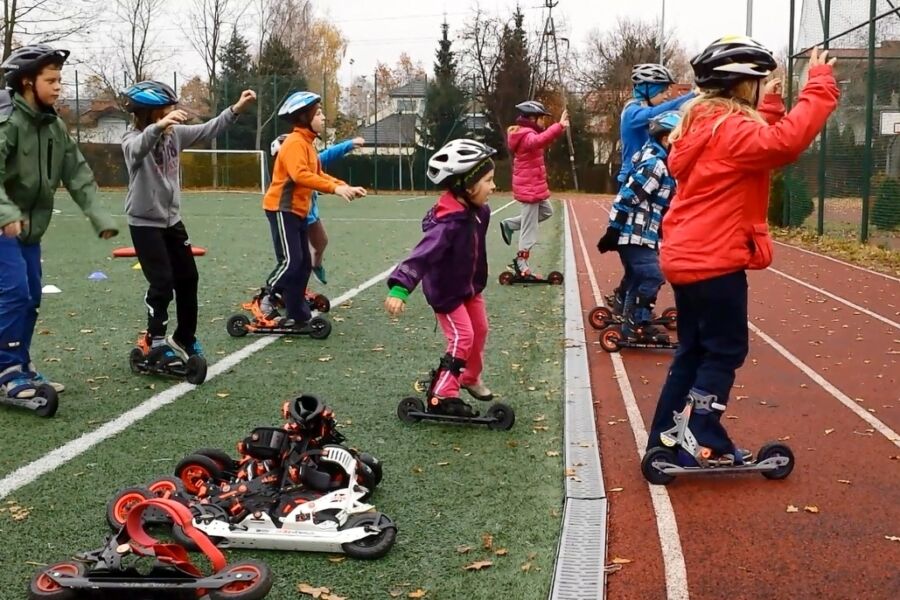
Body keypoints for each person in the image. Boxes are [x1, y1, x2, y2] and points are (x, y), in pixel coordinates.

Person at [646, 36, 839, 463]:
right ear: (742, 86)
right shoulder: (732, 129)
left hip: (685, 256)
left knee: (694, 351)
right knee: (726, 350)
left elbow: (756, 148)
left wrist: (768, 108)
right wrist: (819, 85)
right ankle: (701, 431)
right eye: (760, 83)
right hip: (715, 259)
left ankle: (666, 438)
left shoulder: (703, 124)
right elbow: (783, 144)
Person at [0, 44, 118, 400]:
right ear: (25, 82)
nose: (58, 87)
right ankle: (6, 369)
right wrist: (6, 215)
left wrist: (98, 215)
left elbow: (78, 172)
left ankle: (19, 360)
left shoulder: (53, 127)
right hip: (4, 224)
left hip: (30, 230)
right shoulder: (7, 123)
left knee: (32, 296)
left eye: (59, 80)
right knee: (16, 293)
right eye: (50, 80)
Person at [121, 80, 256, 367]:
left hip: (172, 221)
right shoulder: (131, 139)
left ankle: (183, 337)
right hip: (144, 222)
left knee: (188, 278)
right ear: (150, 113)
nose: (175, 114)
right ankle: (154, 342)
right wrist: (158, 127)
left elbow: (209, 130)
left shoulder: (176, 135)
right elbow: (137, 150)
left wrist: (236, 109)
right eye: (168, 110)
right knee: (162, 282)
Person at [385, 139, 497, 414]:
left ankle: (468, 377)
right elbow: (421, 255)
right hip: (446, 293)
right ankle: (442, 394)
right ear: (468, 187)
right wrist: (400, 287)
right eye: (488, 181)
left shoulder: (480, 212)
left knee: (480, 330)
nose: (494, 186)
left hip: (470, 288)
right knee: (462, 338)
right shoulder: (447, 226)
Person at [260, 91, 366, 329]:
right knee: (291, 261)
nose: (323, 118)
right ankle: (266, 297)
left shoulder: (307, 144)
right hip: (281, 208)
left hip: (297, 211)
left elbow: (318, 174)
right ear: (304, 116)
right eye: (318, 113)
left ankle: (298, 313)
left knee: (304, 263)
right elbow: (301, 175)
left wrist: (343, 186)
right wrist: (334, 190)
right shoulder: (295, 143)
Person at [607, 63, 695, 314]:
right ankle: (636, 309)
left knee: (647, 247)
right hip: (637, 180)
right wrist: (689, 98)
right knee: (642, 248)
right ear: (647, 88)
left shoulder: (650, 111)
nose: (668, 94)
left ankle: (626, 298)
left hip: (655, 181)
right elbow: (653, 117)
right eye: (664, 89)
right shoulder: (632, 112)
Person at [597, 111, 681, 341]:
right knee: (653, 275)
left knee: (636, 276)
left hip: (644, 234)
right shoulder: (655, 166)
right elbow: (627, 196)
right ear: (666, 139)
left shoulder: (661, 163)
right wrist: (613, 230)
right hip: (634, 234)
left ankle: (625, 311)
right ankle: (638, 322)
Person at [270, 134, 366, 285]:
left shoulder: (308, 164)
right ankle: (277, 291)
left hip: (310, 215)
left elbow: (327, 156)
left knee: (320, 243)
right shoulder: (285, 176)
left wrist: (344, 187)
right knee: (295, 259)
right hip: (291, 215)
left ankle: (313, 270)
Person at [498, 100, 568, 278]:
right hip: (529, 188)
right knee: (530, 228)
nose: (544, 123)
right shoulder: (526, 135)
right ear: (531, 118)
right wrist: (558, 126)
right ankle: (521, 261)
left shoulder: (525, 133)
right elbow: (539, 140)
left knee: (546, 211)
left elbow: (541, 139)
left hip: (533, 186)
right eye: (541, 119)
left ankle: (510, 224)